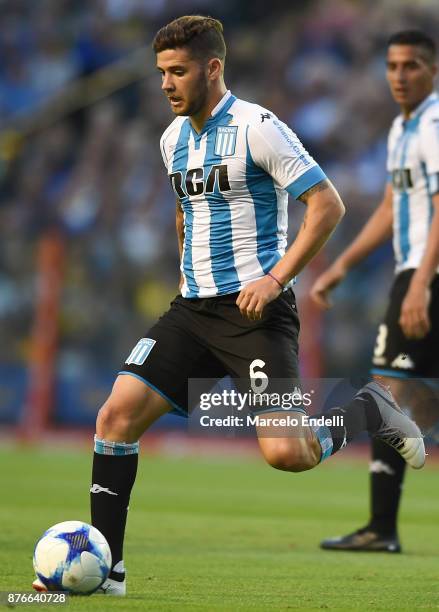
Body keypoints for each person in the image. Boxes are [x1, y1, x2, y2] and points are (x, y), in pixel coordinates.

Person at [32, 17, 424, 595]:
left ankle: (368, 410)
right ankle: (106, 567)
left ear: (213, 68)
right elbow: (185, 210)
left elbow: (328, 204)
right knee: (115, 417)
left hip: (255, 315)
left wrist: (276, 277)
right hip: (192, 311)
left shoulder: (257, 128)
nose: (166, 84)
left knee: (288, 454)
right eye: (162, 72)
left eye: (179, 72)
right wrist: (191, 265)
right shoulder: (172, 139)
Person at [311, 30, 439, 553]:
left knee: (389, 394)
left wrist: (421, 283)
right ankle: (380, 528)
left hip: (425, 273)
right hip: (415, 271)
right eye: (392, 66)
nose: (399, 75)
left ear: (432, 70)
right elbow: (391, 206)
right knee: (391, 394)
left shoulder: (433, 124)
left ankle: (379, 525)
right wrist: (343, 263)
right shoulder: (401, 128)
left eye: (411, 65)